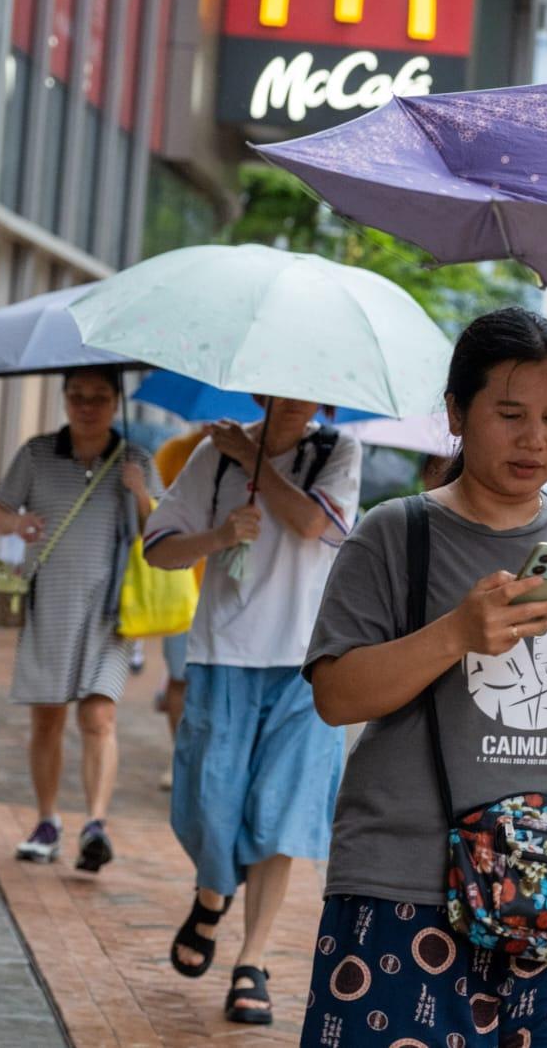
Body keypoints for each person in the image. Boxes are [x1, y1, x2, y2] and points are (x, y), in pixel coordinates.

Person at [300, 307, 547, 1045]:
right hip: (406, 884)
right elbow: (335, 695)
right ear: (458, 413)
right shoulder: (394, 534)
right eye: (509, 413)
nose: (535, 438)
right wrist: (456, 633)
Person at [144, 397, 359, 1025]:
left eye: (308, 385)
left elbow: (317, 525)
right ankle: (211, 894)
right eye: (281, 383)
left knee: (281, 812)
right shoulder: (214, 453)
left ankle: (252, 960)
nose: (293, 397)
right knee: (208, 804)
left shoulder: (336, 451)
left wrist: (254, 462)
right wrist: (217, 535)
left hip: (305, 662)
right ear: (261, 390)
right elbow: (159, 548)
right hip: (221, 655)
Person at [0, 367, 159, 873]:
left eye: (99, 397)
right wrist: (17, 523)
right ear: (64, 398)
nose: (87, 406)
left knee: (98, 715)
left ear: (115, 403)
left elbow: (162, 533)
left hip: (111, 612)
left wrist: (140, 493)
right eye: (77, 396)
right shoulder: (37, 453)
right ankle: (47, 821)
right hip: (49, 604)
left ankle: (96, 825)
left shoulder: (136, 459)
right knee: (47, 718)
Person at [150, 426, 209, 792]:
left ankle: (204, 760)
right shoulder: (175, 452)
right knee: (179, 678)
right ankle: (180, 757)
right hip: (183, 587)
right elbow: (157, 513)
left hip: (232, 591)